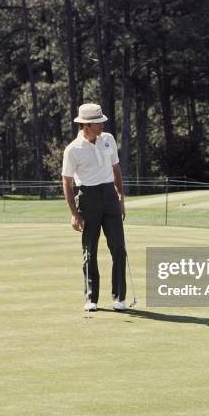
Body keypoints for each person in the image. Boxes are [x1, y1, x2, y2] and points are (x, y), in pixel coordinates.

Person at [61, 103, 127, 312]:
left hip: (109, 196)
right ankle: (91, 298)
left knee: (118, 248)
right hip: (87, 197)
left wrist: (121, 197)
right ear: (86, 125)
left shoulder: (108, 140)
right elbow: (67, 182)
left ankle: (119, 298)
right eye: (98, 123)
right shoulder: (72, 150)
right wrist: (74, 214)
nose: (103, 125)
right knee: (90, 251)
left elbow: (116, 168)